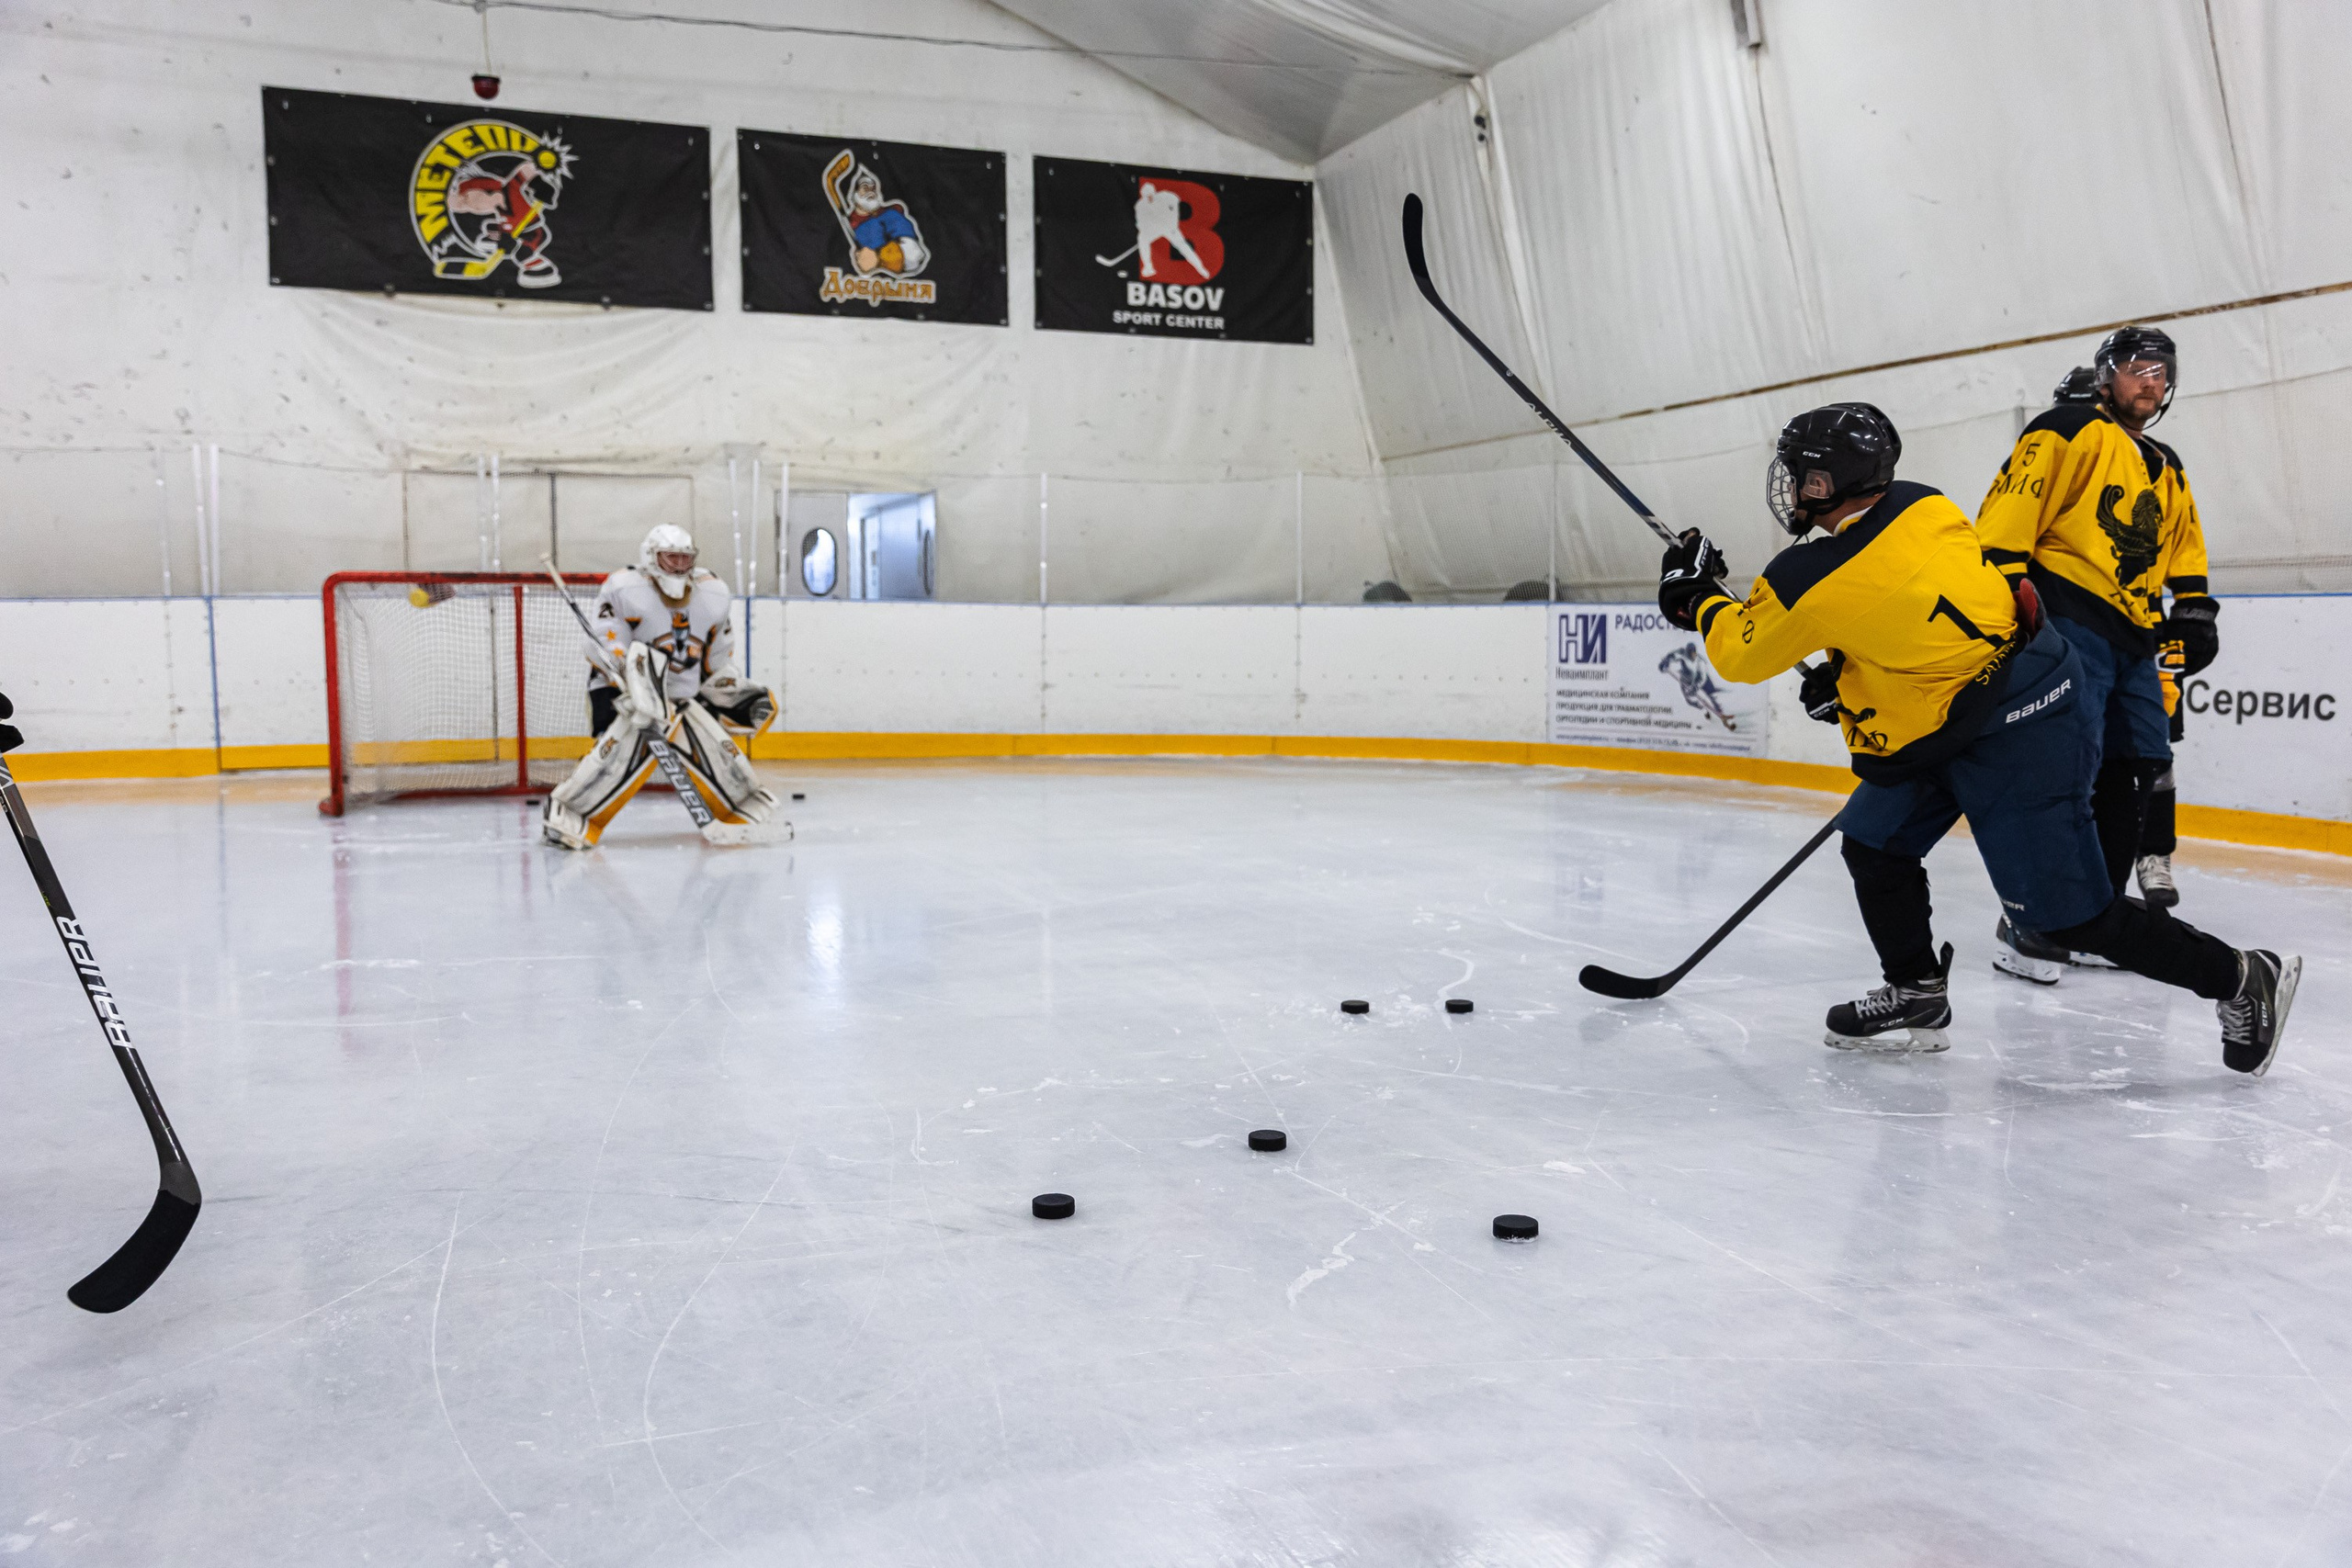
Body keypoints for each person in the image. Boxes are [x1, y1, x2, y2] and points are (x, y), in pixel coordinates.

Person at [1654, 401, 2296, 1072]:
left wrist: (1691, 593)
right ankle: (1916, 990)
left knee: (2067, 917)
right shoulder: (1922, 503)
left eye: (1797, 473)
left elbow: (1740, 652)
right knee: (1874, 845)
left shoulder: (1809, 578)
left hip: (2025, 728)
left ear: (1822, 484)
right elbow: (1917, 621)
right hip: (1956, 714)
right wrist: (1847, 675)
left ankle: (2241, 975)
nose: (1788, 484)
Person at [1974, 329, 2220, 978]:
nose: (2151, 381)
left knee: (2139, 768)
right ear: (2106, 374)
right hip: (2070, 614)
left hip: (2137, 634)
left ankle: (2096, 916)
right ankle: (2032, 919)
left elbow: (2184, 543)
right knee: (2066, 770)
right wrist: (2002, 592)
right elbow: (2011, 509)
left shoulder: (2166, 462)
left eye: (2162, 371)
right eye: (2138, 368)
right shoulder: (2069, 428)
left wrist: (2193, 607)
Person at [541, 525, 781, 850]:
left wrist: (737, 696)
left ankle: (741, 809)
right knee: (618, 757)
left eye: (686, 559)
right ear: (651, 559)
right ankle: (568, 815)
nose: (680, 567)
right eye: (671, 558)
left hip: (680, 696)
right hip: (622, 691)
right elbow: (604, 642)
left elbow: (714, 662)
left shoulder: (712, 593)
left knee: (719, 752)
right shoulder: (625, 588)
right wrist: (629, 679)